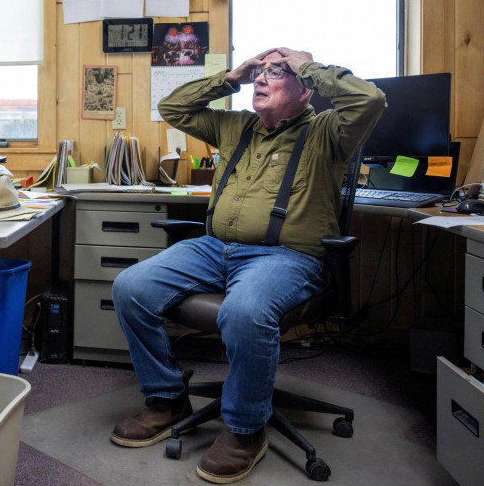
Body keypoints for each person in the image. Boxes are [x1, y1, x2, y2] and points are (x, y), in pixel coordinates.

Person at [110, 47, 385, 483]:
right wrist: (232, 76)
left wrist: (306, 65)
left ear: (303, 86)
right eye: (259, 71)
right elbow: (171, 106)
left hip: (288, 257)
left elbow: (369, 100)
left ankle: (245, 429)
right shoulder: (234, 125)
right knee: (130, 287)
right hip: (214, 248)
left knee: (244, 310)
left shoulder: (328, 132)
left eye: (276, 72)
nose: (261, 78)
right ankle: (167, 397)